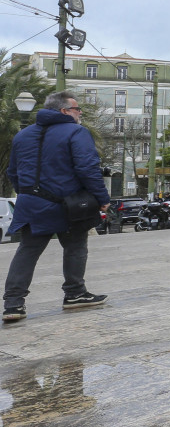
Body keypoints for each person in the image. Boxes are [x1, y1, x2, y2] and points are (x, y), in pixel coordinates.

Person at [3, 92, 112, 323]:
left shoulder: (23, 135)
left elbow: (12, 172)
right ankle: (74, 294)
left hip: (31, 204)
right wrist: (102, 197)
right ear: (64, 111)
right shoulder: (77, 132)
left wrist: (27, 193)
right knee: (75, 246)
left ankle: (13, 304)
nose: (79, 112)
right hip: (68, 205)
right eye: (76, 109)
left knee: (27, 251)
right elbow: (87, 168)